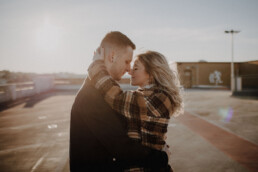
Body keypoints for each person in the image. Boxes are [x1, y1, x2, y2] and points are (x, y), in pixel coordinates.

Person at [69, 31, 170, 172]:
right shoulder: (92, 96)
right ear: (112, 57)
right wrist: (161, 157)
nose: (129, 69)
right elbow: (122, 147)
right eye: (127, 62)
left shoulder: (102, 92)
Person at [88, 49, 184, 171]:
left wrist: (97, 64)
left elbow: (115, 97)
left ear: (151, 73)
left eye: (136, 68)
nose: (130, 71)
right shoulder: (144, 95)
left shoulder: (160, 98)